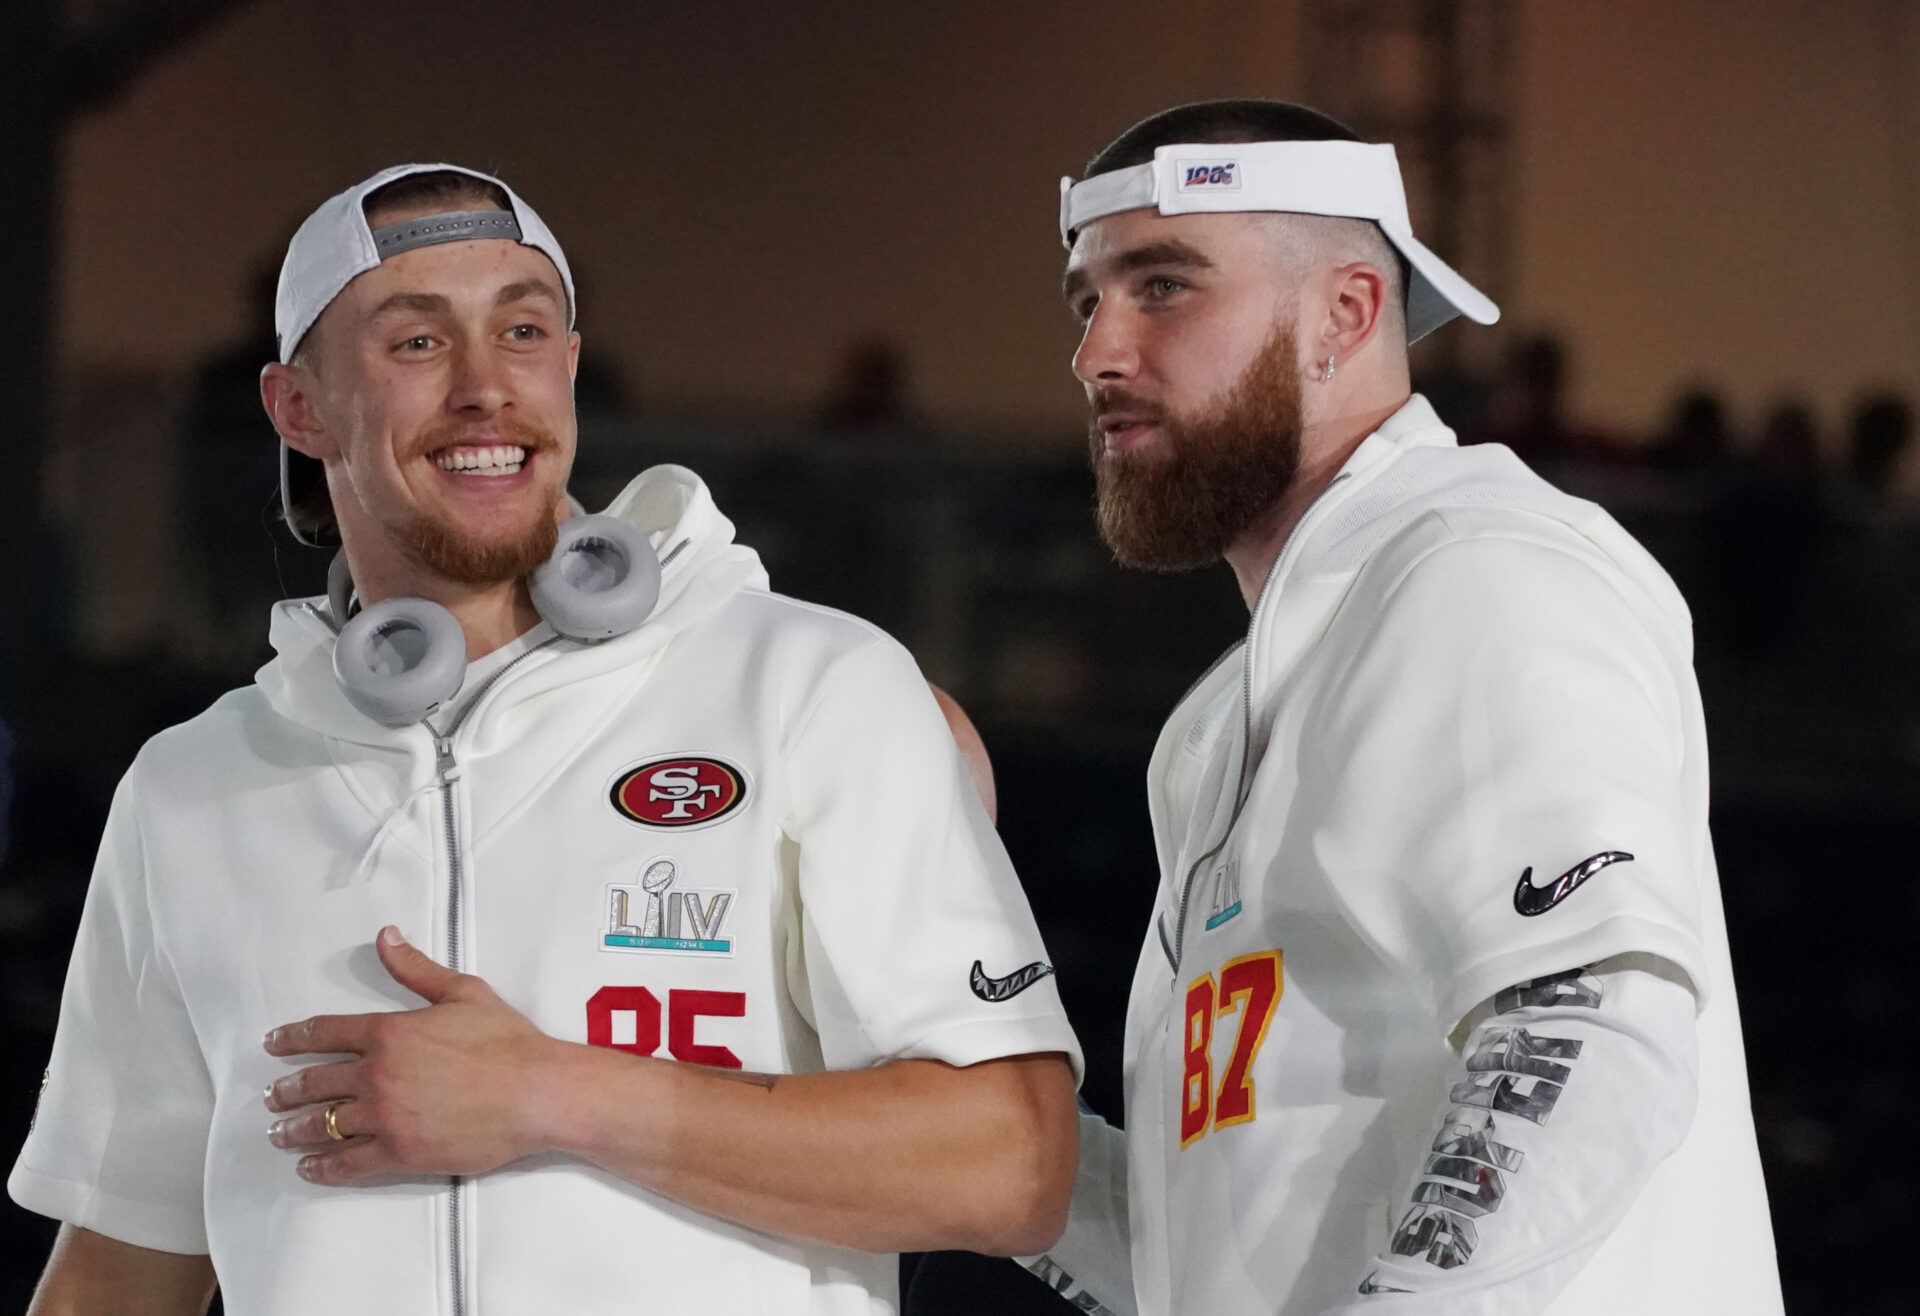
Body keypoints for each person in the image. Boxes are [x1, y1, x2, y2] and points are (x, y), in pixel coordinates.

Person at [10, 163, 1081, 1315]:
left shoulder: (810, 686)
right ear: (297, 408)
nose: (485, 388)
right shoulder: (196, 790)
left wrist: (553, 1096)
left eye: (522, 328)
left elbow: (1010, 1166)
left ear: (569, 366)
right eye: (415, 342)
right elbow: (119, 1271)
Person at [1023, 100, 1782, 1314]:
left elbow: (1595, 1040)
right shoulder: (1215, 729)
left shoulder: (1478, 566)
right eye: (1086, 301)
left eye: (1162, 286)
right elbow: (1198, 1256)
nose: (1097, 351)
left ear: (1347, 313)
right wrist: (931, 1073)